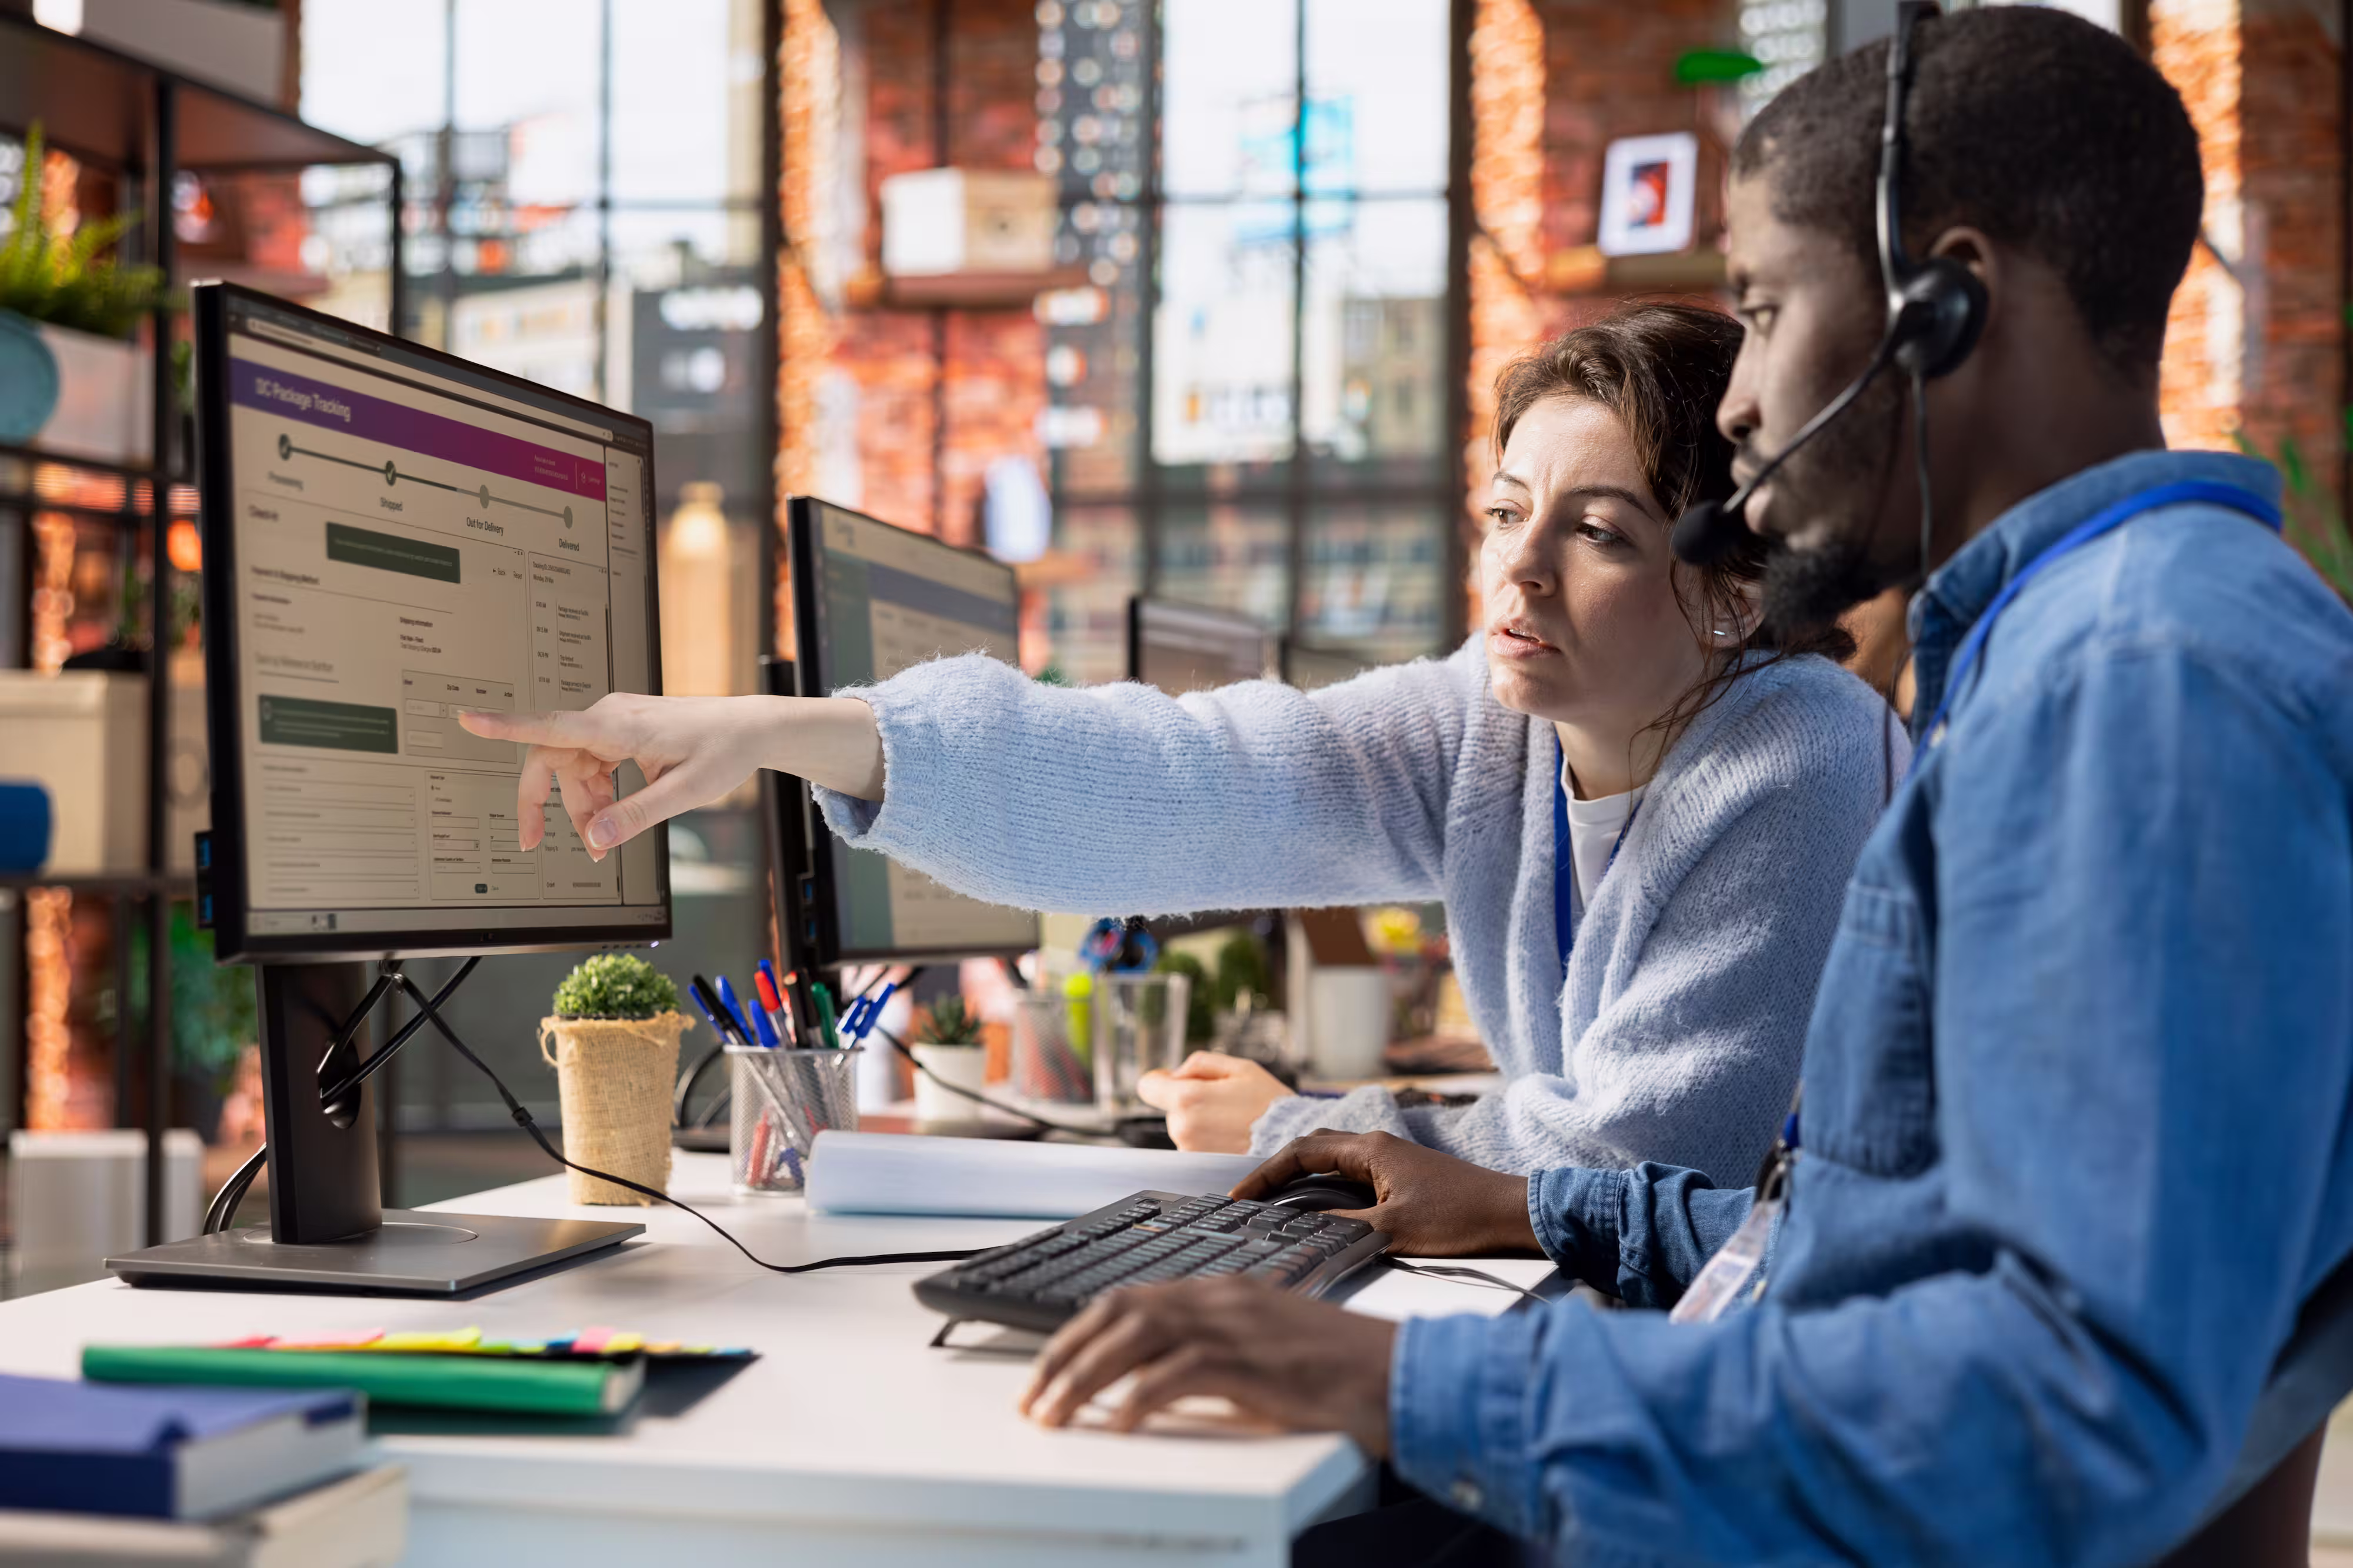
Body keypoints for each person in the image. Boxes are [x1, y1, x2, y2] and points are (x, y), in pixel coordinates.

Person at [1012, 9, 2353, 1566]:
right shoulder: (2087, 643)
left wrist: (1418, 1379)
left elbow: (2057, 1405)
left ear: (1946, 308)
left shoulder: (2139, 683)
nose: (1735, 409)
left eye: (1769, 309)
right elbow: (1889, 1246)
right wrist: (1543, 1208)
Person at [465, 302, 1895, 1187]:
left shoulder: (1803, 752)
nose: (1516, 572)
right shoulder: (1492, 722)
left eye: (1594, 533)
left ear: (1729, 593)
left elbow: (1641, 1155)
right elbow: (1192, 777)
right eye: (1503, 512)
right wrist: (794, 736)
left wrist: (1301, 1127)